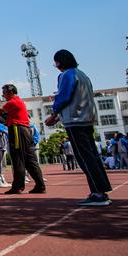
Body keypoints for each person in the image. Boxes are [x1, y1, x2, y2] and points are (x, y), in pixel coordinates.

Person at [44, 49, 111, 206]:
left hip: (75, 120)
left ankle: (97, 193)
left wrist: (54, 114)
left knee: (84, 157)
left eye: (56, 63)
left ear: (59, 62)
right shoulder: (83, 75)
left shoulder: (66, 75)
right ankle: (101, 189)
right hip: (87, 118)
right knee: (92, 155)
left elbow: (64, 97)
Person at [0, 84, 45, 195]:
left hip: (17, 130)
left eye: (4, 92)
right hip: (24, 131)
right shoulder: (18, 102)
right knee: (29, 159)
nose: (3, 95)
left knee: (18, 159)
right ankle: (40, 185)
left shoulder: (13, 102)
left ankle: (18, 186)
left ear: (11, 92)